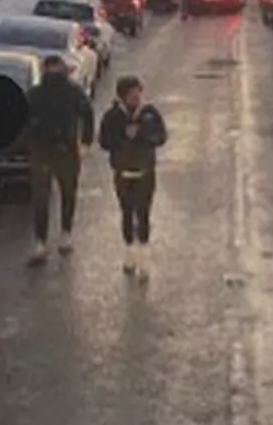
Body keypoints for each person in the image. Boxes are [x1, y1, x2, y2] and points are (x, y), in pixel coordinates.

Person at [23, 55, 94, 266]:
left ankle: (46, 240)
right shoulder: (70, 91)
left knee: (53, 195)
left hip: (52, 150)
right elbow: (88, 113)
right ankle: (57, 237)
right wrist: (85, 142)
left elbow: (87, 113)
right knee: (57, 194)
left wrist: (85, 142)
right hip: (56, 150)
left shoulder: (40, 93)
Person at [98, 76, 167, 279]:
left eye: (138, 94)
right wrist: (122, 139)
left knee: (143, 213)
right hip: (122, 173)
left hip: (145, 172)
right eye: (131, 95)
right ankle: (130, 253)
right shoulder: (112, 116)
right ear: (122, 96)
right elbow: (103, 141)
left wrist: (143, 135)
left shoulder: (149, 113)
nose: (136, 98)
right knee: (126, 212)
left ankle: (144, 259)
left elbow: (161, 137)